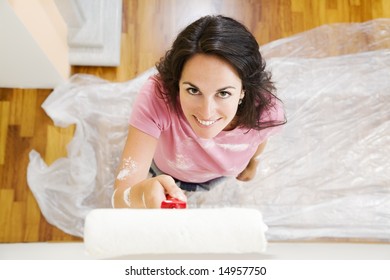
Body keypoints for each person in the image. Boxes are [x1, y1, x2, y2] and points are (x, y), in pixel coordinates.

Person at [112, 15, 286, 209]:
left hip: (215, 178)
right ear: (177, 84)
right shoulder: (157, 96)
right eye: (193, 90)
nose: (206, 112)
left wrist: (253, 163)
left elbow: (260, 139)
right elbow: (121, 194)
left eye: (223, 93)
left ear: (243, 90)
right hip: (164, 171)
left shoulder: (267, 111)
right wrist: (141, 194)